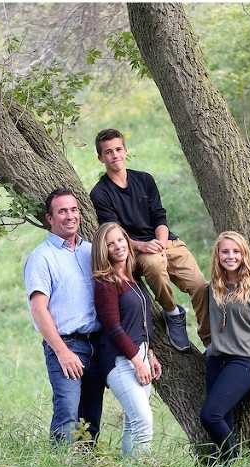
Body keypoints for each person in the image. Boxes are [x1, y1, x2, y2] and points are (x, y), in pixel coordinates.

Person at [90, 128, 210, 351]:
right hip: (136, 249)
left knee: (200, 286)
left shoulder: (144, 180)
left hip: (165, 241)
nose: (114, 155)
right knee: (154, 265)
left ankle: (209, 341)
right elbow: (114, 232)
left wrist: (162, 246)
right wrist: (144, 246)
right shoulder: (100, 193)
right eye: (108, 152)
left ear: (125, 151)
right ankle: (172, 312)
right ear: (101, 158)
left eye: (118, 149)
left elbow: (159, 216)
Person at [23, 188, 105, 444]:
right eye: (62, 211)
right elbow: (39, 310)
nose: (70, 216)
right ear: (50, 218)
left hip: (98, 345)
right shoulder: (41, 258)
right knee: (68, 416)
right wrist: (62, 352)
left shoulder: (92, 251)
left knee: (91, 419)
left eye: (74, 210)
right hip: (67, 345)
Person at [199, 231, 250, 466]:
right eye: (225, 251)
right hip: (216, 361)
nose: (230, 256)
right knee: (222, 418)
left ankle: (235, 463)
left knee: (209, 415)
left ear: (243, 254)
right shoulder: (214, 288)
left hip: (245, 362)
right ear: (218, 255)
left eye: (236, 251)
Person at [91, 222, 163, 456]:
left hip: (140, 355)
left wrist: (149, 354)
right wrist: (137, 361)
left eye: (120, 240)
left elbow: (142, 321)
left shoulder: (131, 279)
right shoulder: (106, 283)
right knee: (144, 422)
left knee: (132, 424)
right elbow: (113, 328)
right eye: (110, 244)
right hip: (121, 361)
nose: (118, 246)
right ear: (104, 251)